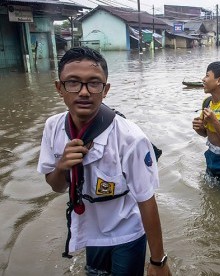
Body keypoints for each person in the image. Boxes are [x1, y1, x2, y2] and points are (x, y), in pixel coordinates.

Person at [37, 46, 171, 276]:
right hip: (90, 230)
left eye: (94, 83)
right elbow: (56, 186)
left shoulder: (130, 138)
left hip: (126, 232)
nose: (84, 92)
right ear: (59, 88)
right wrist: (62, 166)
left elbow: (146, 200)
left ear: (105, 89)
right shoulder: (54, 127)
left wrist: (158, 262)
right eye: (73, 82)